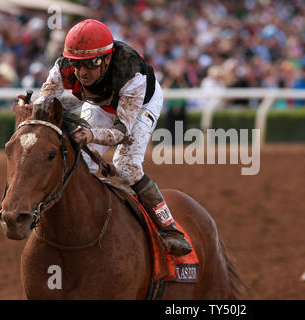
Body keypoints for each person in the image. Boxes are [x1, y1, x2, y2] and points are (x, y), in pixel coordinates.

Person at [18, 19, 192, 256]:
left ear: (107, 59)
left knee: (126, 167)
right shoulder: (63, 67)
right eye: (77, 64)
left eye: (90, 64)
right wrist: (29, 109)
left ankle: (169, 227)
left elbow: (121, 132)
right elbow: (44, 103)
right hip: (99, 102)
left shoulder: (133, 75)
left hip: (140, 105)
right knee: (84, 164)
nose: (81, 72)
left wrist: (90, 135)